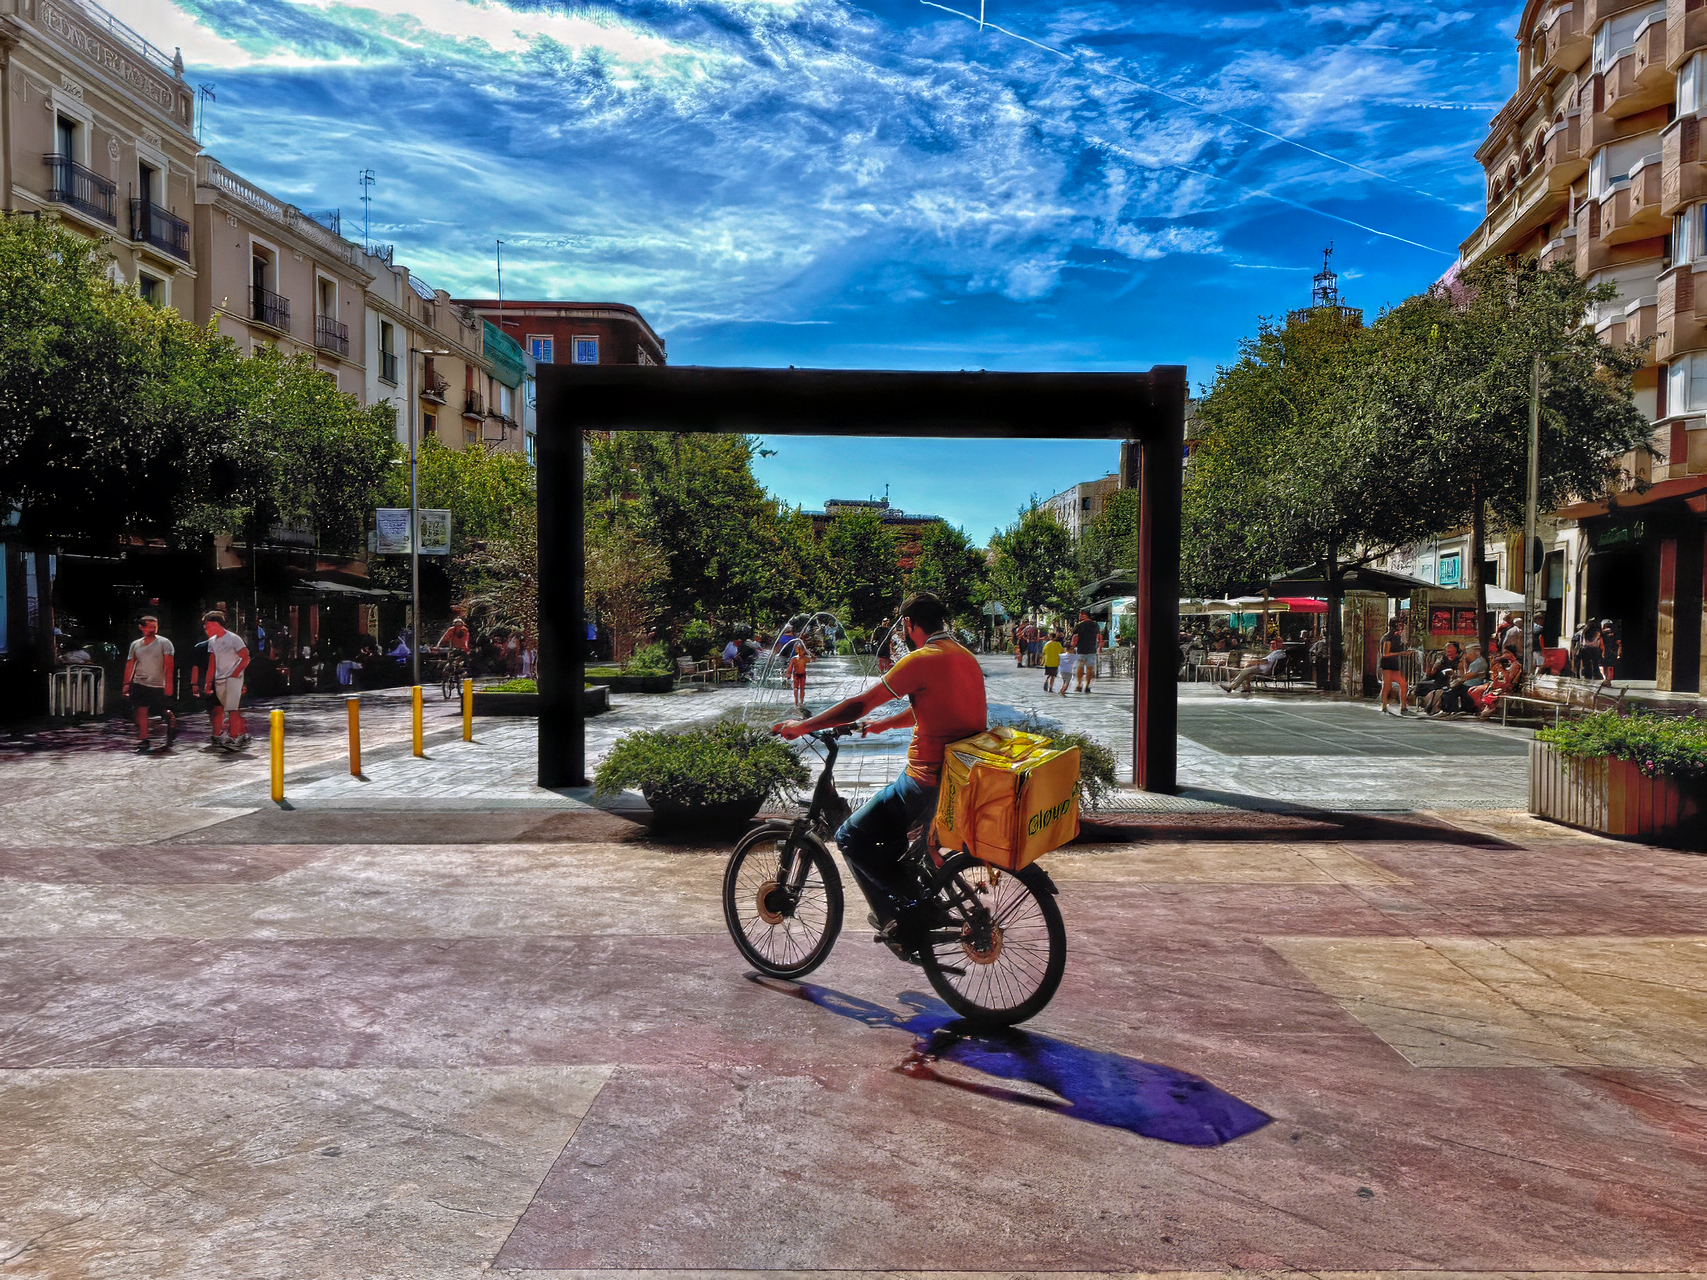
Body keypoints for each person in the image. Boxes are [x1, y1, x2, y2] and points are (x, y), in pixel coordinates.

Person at [774, 592, 986, 949]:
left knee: (849, 837)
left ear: (909, 625)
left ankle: (914, 914)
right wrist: (884, 725)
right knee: (888, 838)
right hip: (960, 776)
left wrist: (802, 726)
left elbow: (858, 704)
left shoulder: (921, 659)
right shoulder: (964, 657)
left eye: (903, 627)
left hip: (925, 781)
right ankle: (911, 903)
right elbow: (932, 708)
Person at [122, 616, 176, 753]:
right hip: (140, 682)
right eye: (149, 626)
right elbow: (130, 665)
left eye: (155, 626)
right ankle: (144, 741)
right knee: (141, 711)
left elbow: (169, 666)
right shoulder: (135, 645)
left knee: (163, 711)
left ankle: (172, 724)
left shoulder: (164, 643)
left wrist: (168, 684)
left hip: (158, 684)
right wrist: (126, 684)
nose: (152, 629)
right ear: (142, 627)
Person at [201, 611, 251, 751]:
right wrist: (208, 682)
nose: (206, 630)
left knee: (232, 709)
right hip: (219, 679)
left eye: (208, 626)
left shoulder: (233, 638)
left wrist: (234, 674)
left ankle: (234, 738)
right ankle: (239, 735)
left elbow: (245, 657)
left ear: (216, 625)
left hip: (233, 679)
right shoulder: (212, 642)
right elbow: (212, 664)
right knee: (224, 708)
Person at [1437, 644, 1489, 716]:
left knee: (1453, 690)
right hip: (1467, 684)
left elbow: (1467, 676)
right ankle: (1450, 709)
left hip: (1473, 684)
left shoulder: (1479, 662)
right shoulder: (1473, 663)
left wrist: (1462, 668)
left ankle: (1449, 709)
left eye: (1467, 653)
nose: (1466, 656)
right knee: (1451, 690)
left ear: (1472, 653)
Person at [1413, 642, 1463, 715]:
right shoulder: (1442, 658)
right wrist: (1434, 667)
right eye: (1447, 647)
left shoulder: (1459, 659)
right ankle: (1432, 708)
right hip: (1438, 680)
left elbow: (1460, 672)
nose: (1448, 649)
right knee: (1425, 687)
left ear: (1456, 649)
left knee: (1441, 691)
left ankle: (1437, 707)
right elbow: (1431, 673)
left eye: (1450, 647)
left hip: (1450, 681)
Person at [1224, 637, 1288, 694]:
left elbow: (1265, 661)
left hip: (1264, 670)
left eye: (1273, 644)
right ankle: (1246, 688)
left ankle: (1231, 687)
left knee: (1246, 671)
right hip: (1261, 667)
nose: (1271, 645)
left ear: (1279, 644)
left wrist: (1254, 662)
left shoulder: (1279, 653)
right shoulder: (1275, 652)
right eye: (1271, 644)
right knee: (1246, 670)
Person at [1377, 617, 1409, 716]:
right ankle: (1384, 705)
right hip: (1387, 664)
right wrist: (1401, 653)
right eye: (1399, 626)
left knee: (1403, 684)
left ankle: (1403, 705)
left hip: (1394, 663)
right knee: (1387, 686)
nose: (1401, 629)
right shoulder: (1388, 638)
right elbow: (1386, 653)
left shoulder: (1397, 637)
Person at [1070, 610, 1100, 694]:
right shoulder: (1095, 625)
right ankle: (1087, 685)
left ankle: (1079, 685)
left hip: (1081, 649)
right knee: (1090, 668)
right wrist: (1099, 646)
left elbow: (1075, 636)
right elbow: (1098, 636)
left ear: (1084, 615)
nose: (1079, 616)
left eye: (1080, 614)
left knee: (1080, 668)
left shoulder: (1079, 625)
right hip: (1091, 649)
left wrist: (1072, 645)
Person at [789, 640, 810, 709]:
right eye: (801, 650)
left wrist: (811, 655)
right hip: (796, 675)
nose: (803, 652)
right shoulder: (794, 659)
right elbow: (790, 667)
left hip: (803, 675)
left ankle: (801, 701)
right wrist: (788, 673)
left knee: (802, 688)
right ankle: (796, 702)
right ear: (797, 650)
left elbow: (812, 659)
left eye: (803, 651)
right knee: (795, 688)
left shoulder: (805, 659)